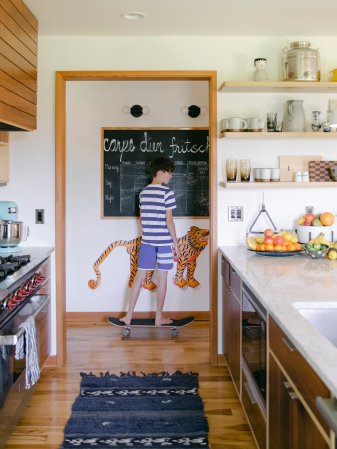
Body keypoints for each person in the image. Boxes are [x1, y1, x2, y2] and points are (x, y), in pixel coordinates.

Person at [120, 157, 180, 326]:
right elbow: (169, 221)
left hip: (147, 242)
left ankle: (128, 316)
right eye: (170, 173)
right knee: (162, 278)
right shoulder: (167, 193)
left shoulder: (143, 193)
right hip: (163, 243)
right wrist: (176, 245)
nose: (171, 177)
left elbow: (141, 219)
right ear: (161, 173)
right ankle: (158, 318)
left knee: (139, 277)